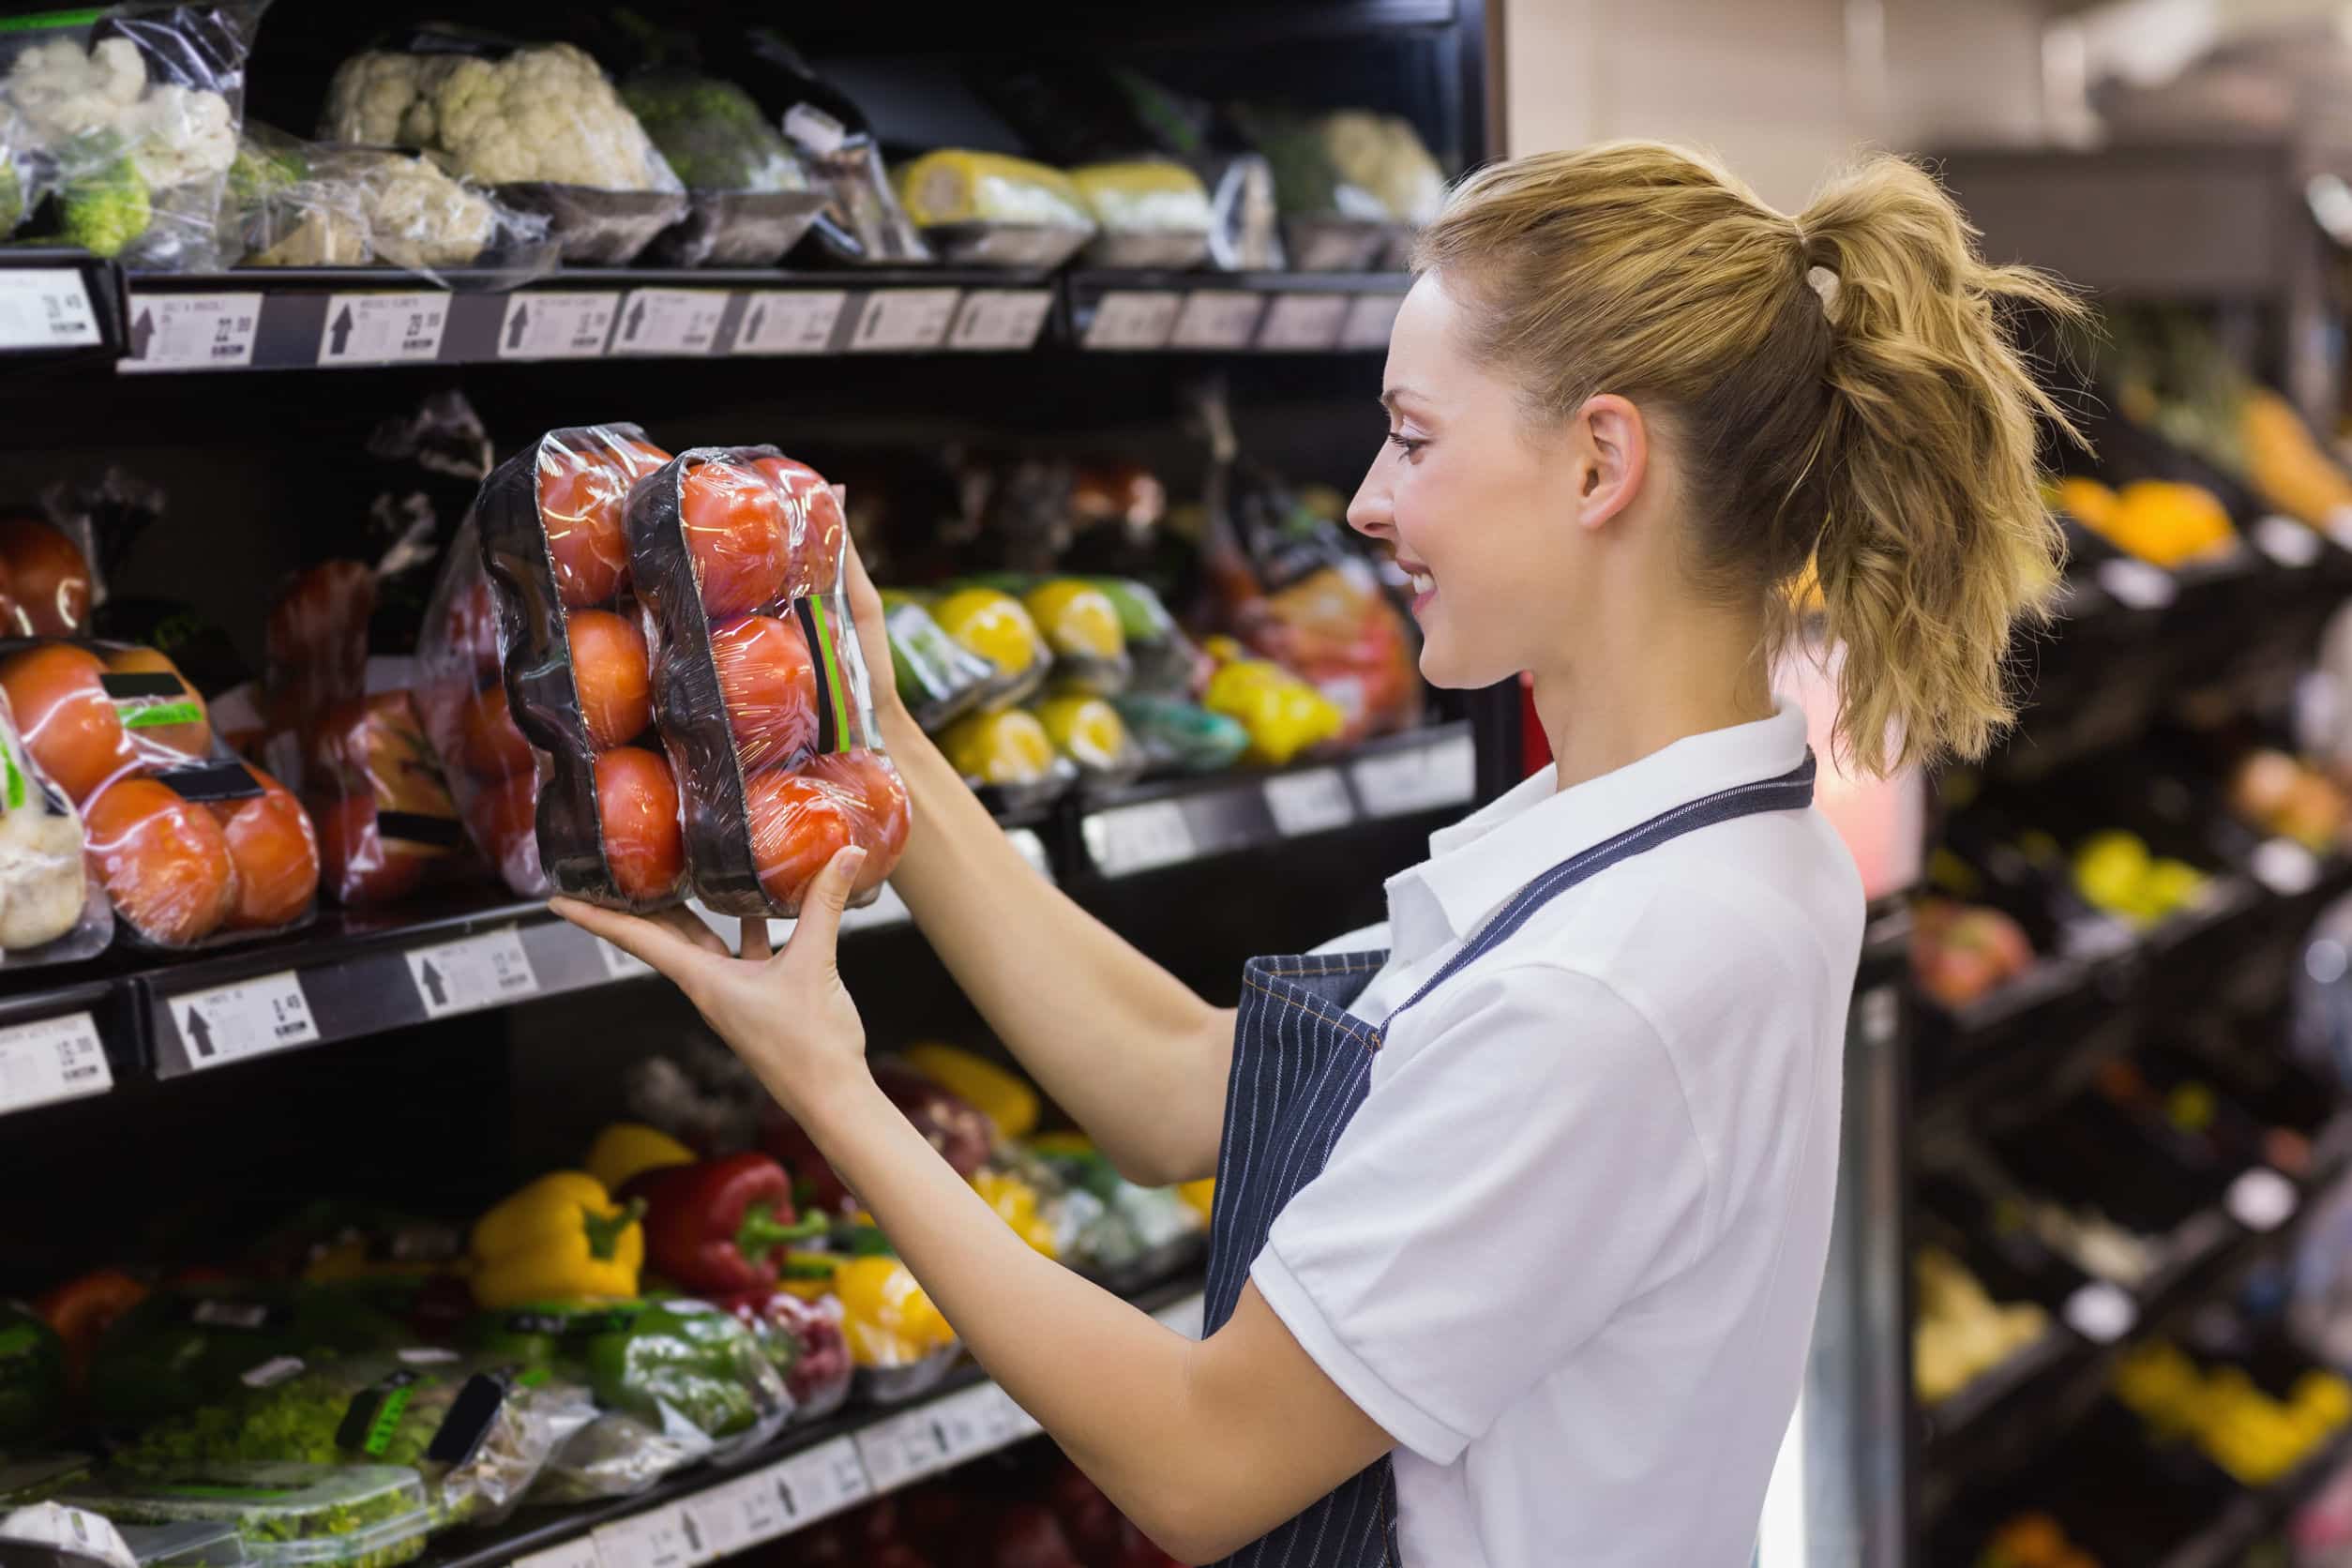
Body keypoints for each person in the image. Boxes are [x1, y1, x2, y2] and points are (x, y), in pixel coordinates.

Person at [560, 141, 2075, 1566]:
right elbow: (1173, 1091)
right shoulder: (1684, 841)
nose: (1365, 501)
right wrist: (878, 724)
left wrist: (827, 1081)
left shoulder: (1604, 987)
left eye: (1414, 439)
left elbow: (1201, 1463)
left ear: (1601, 463)